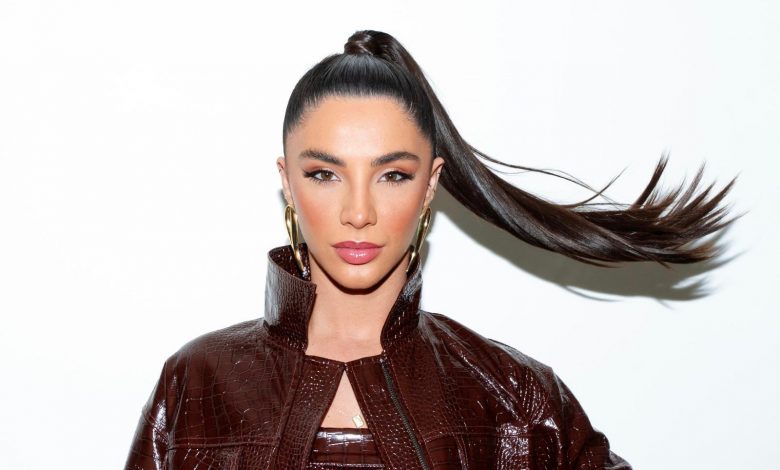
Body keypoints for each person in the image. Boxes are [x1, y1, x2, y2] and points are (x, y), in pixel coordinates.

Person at [124, 30, 738, 469]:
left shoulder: (515, 397)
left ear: (429, 187)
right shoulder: (195, 383)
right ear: (287, 181)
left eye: (392, 175)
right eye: (324, 174)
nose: (358, 212)